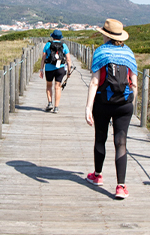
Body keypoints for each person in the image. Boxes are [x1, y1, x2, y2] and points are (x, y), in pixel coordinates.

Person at [85, 19, 138, 200]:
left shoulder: (100, 52)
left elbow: (94, 82)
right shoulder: (129, 54)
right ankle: (121, 187)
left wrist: (88, 107)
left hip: (102, 103)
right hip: (124, 105)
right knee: (121, 142)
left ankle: (97, 176)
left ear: (105, 35)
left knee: (100, 138)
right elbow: (135, 84)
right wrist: (130, 105)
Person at [39, 29, 72, 113]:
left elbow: (43, 58)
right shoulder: (64, 45)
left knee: (49, 86)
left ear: (52, 36)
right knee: (58, 87)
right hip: (60, 68)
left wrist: (41, 69)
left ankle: (50, 103)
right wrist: (69, 71)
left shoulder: (48, 44)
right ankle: (56, 107)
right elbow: (68, 60)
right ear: (60, 37)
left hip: (49, 68)